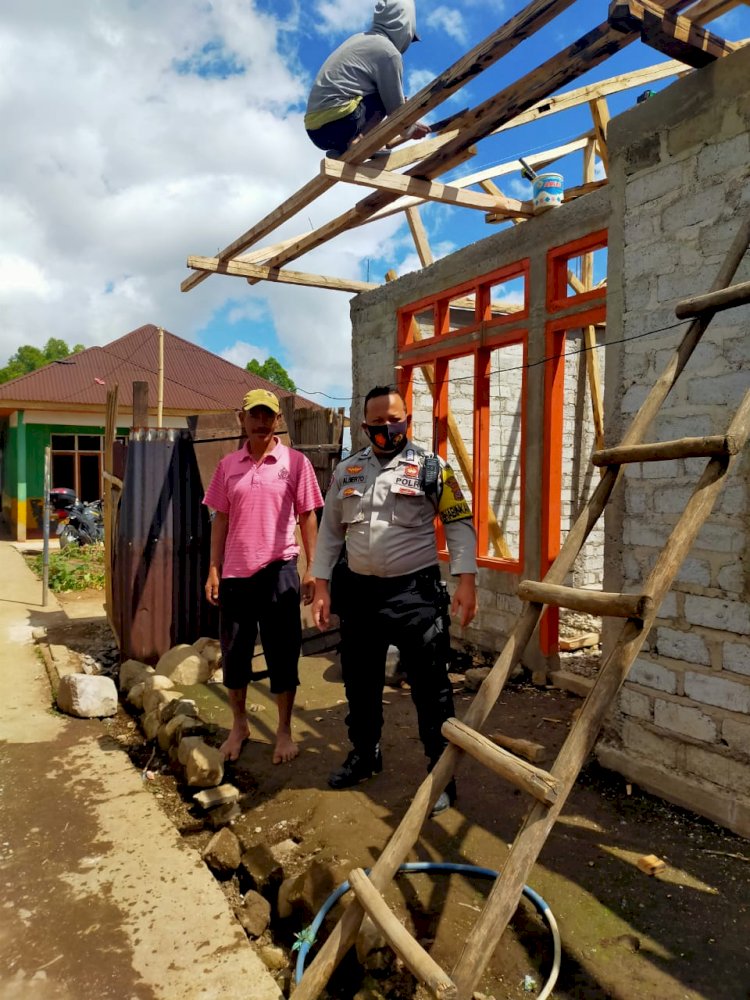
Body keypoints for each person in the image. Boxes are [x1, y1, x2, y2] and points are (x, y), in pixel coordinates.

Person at [312, 385, 477, 814]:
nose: (388, 427)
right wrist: (322, 586)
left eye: (395, 418)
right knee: (360, 684)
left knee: (431, 689)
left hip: (415, 595)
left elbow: (459, 522)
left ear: (409, 419)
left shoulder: (431, 467)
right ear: (364, 425)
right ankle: (365, 756)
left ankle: (440, 774)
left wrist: (466, 581)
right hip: (360, 596)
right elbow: (330, 533)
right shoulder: (347, 472)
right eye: (378, 421)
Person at [203, 388, 324, 764]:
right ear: (242, 418)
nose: (260, 422)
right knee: (235, 656)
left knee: (283, 655)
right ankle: (238, 725)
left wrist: (312, 569)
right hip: (236, 576)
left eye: (267, 416)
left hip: (280, 572)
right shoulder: (227, 466)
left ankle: (284, 731)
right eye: (254, 415)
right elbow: (220, 519)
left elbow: (308, 516)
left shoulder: (296, 463)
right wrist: (213, 569)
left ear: (277, 421)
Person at [305, 0, 430, 159]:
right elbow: (394, 109)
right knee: (384, 98)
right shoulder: (389, 52)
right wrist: (410, 130)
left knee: (385, 95)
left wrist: (405, 113)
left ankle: (342, 147)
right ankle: (358, 141)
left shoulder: (360, 38)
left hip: (315, 130)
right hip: (339, 121)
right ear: (405, 28)